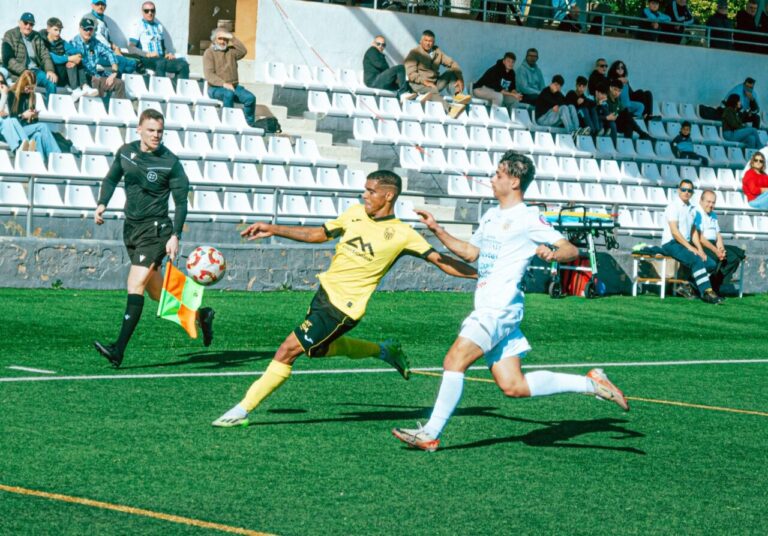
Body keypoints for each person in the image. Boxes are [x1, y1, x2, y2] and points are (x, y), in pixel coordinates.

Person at [391, 151, 629, 452]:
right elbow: (470, 253)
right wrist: (438, 230)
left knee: (454, 361)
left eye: (498, 174)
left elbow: (570, 250)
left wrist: (553, 254)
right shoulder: (491, 215)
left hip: (500, 308)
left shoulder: (528, 218)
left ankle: (431, 432)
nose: (493, 178)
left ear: (514, 181)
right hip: (491, 307)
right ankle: (592, 383)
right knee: (513, 386)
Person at [211, 170, 478, 427]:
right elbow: (319, 234)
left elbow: (440, 261)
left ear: (388, 196)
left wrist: (480, 275)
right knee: (318, 350)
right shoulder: (354, 214)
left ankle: (241, 410)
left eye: (371, 191)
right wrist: (274, 228)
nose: (364, 195)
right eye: (365, 189)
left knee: (287, 351)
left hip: (342, 309)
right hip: (323, 295)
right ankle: (384, 350)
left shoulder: (403, 234)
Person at [93, 108, 215, 368]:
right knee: (155, 291)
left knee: (135, 284)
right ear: (139, 129)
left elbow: (181, 203)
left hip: (156, 231)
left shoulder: (170, 162)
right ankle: (200, 315)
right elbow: (112, 177)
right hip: (132, 229)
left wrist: (175, 235)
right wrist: (102, 203)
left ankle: (118, 350)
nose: (156, 135)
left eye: (160, 131)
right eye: (151, 130)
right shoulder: (126, 152)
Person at [660, 180, 721, 304]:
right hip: (671, 243)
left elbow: (693, 232)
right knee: (696, 260)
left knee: (710, 263)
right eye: (684, 189)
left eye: (689, 190)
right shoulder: (673, 206)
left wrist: (699, 249)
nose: (686, 192)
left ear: (692, 193)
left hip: (684, 244)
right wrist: (691, 248)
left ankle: (687, 286)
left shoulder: (692, 209)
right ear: (678, 190)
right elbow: (675, 232)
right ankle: (707, 292)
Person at [203, 28, 257, 127]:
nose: (223, 41)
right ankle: (228, 123)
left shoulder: (231, 52)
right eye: (220, 38)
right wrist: (224, 84)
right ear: (214, 40)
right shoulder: (209, 53)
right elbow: (209, 75)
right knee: (228, 94)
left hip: (234, 87)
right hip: (215, 88)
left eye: (225, 39)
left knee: (250, 98)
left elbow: (243, 51)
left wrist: (232, 37)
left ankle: (249, 124)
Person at [695, 190, 745, 294]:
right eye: (708, 202)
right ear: (701, 201)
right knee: (715, 258)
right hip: (701, 244)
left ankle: (715, 283)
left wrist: (721, 248)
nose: (711, 205)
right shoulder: (697, 213)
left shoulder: (713, 215)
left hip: (713, 244)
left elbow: (717, 234)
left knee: (734, 257)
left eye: (713, 202)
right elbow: (700, 237)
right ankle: (711, 287)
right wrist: (716, 251)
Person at [5, 70, 61, 159]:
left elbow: (32, 123)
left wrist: (33, 116)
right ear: (22, 84)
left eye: (32, 88)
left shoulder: (31, 96)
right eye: (28, 87)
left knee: (38, 135)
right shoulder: (11, 94)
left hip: (26, 128)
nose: (30, 90)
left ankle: (39, 164)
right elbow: (11, 121)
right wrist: (23, 116)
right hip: (16, 130)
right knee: (43, 127)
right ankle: (57, 156)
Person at [127, 2, 190, 82]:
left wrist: (168, 54)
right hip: (146, 59)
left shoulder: (159, 27)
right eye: (147, 11)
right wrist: (147, 54)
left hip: (161, 58)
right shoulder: (138, 25)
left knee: (183, 64)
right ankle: (161, 91)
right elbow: (130, 47)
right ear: (142, 12)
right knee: (161, 63)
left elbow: (163, 47)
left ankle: (179, 91)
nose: (150, 13)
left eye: (152, 11)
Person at [404, 30, 465, 111]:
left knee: (452, 72)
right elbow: (411, 74)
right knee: (432, 90)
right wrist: (425, 82)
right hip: (418, 84)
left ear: (433, 42)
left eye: (431, 41)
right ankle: (450, 109)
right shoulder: (414, 52)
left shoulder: (437, 52)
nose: (428, 43)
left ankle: (457, 95)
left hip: (434, 84)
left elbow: (452, 63)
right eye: (426, 40)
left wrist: (460, 78)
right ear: (421, 41)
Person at [40, 18, 96, 102]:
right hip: (48, 73)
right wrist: (69, 58)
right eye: (55, 30)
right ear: (48, 29)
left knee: (75, 60)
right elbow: (50, 57)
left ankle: (84, 86)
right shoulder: (41, 41)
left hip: (61, 76)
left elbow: (76, 51)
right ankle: (76, 89)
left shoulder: (61, 42)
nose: (58, 33)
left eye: (60, 30)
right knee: (70, 60)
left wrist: (77, 56)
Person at [69, 18, 126, 100]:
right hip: (82, 79)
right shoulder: (73, 43)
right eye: (85, 29)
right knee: (96, 82)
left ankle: (121, 109)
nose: (88, 32)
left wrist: (114, 72)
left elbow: (110, 53)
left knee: (119, 83)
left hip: (95, 75)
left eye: (90, 29)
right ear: (80, 29)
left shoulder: (95, 42)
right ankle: (98, 109)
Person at [2, 13, 58, 96]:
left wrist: (50, 70)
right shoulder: (10, 35)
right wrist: (24, 71)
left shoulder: (36, 36)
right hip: (18, 72)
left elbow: (45, 54)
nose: (28, 26)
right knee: (25, 87)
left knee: (51, 81)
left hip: (35, 72)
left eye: (31, 24)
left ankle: (49, 107)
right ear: (19, 22)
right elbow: (8, 59)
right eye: (25, 23)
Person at [83, 0, 141, 75]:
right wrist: (112, 51)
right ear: (92, 5)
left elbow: (106, 39)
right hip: (96, 54)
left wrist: (114, 47)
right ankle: (135, 67)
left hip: (106, 52)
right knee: (129, 61)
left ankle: (118, 80)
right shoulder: (89, 18)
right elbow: (97, 38)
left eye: (102, 4)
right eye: (97, 4)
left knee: (130, 66)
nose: (100, 6)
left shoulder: (103, 21)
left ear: (105, 6)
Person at [0, 71, 32, 155]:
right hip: (3, 126)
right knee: (6, 121)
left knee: (12, 120)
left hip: (5, 128)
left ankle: (26, 146)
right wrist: (4, 95)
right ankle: (17, 150)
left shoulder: (5, 96)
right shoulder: (4, 95)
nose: (1, 85)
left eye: (2, 82)